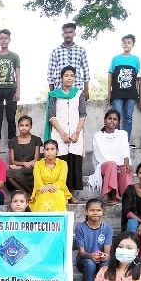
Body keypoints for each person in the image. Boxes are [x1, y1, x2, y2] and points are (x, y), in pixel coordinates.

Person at [46, 65, 86, 202]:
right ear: (61, 78)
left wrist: (77, 132)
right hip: (59, 133)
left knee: (74, 162)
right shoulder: (53, 95)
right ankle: (61, 193)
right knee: (61, 162)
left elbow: (82, 115)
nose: (69, 78)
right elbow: (51, 116)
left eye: (72, 76)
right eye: (66, 75)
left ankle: (71, 194)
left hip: (75, 133)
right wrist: (62, 133)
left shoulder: (79, 94)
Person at [75, 199, 113, 281]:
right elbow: (82, 252)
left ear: (103, 211)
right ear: (86, 211)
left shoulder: (107, 228)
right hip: (84, 260)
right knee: (90, 264)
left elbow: (107, 252)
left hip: (100, 260)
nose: (95, 213)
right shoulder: (80, 228)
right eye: (92, 210)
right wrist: (91, 255)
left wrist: (103, 256)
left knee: (106, 264)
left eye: (98, 210)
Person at [88, 109, 131, 204]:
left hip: (119, 165)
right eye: (109, 118)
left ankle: (128, 198)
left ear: (118, 122)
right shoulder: (98, 135)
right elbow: (99, 156)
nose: (112, 121)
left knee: (126, 169)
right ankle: (110, 195)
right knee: (111, 164)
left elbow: (125, 151)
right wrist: (114, 166)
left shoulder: (123, 134)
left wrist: (126, 164)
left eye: (115, 119)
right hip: (104, 166)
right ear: (104, 120)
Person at [0, 28, 21, 150]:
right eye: (1, 38)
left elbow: (18, 75)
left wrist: (18, 90)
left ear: (9, 40)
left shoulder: (14, 56)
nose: (3, 40)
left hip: (11, 89)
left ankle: (11, 145)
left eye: (5, 38)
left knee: (11, 117)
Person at [107, 34, 141, 144]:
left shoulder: (136, 60)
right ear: (121, 44)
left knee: (128, 117)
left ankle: (126, 141)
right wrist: (109, 92)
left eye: (129, 42)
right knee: (116, 116)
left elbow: (138, 78)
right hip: (117, 93)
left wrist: (140, 95)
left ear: (133, 45)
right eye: (124, 42)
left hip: (131, 93)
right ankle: (116, 140)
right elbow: (110, 75)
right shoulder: (115, 59)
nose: (126, 44)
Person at [47, 23, 90, 99]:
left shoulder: (81, 50)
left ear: (74, 34)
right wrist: (52, 92)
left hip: (77, 89)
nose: (68, 35)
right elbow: (50, 73)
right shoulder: (56, 51)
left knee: (79, 107)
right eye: (66, 32)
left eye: (70, 32)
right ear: (62, 34)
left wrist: (86, 90)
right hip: (59, 91)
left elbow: (86, 71)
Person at [29, 140, 71, 212]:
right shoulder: (38, 164)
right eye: (47, 149)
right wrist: (45, 187)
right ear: (43, 151)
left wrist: (51, 186)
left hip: (58, 189)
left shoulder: (63, 163)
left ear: (57, 151)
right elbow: (37, 181)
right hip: (42, 189)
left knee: (58, 195)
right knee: (43, 195)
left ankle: (58, 219)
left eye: (52, 149)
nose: (50, 152)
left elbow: (62, 181)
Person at [6, 115, 42, 194]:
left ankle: (32, 193)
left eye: (27, 125)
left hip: (31, 168)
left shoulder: (36, 139)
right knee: (9, 173)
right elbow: (12, 161)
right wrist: (23, 164)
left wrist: (28, 164)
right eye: (21, 125)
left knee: (18, 172)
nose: (24, 128)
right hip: (18, 168)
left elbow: (36, 159)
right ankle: (25, 193)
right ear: (18, 126)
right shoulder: (12, 141)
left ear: (31, 126)